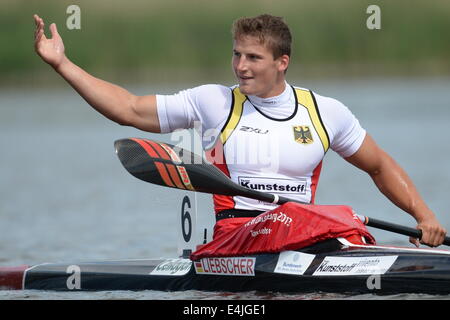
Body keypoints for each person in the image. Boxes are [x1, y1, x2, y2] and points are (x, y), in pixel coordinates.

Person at [33, 13, 447, 247]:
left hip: (307, 233)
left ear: (282, 62)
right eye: (237, 54)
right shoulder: (214, 101)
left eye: (253, 57)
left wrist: (424, 218)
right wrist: (62, 64)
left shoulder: (325, 112)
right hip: (234, 238)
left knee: (336, 227)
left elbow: (378, 165)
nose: (241, 66)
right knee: (337, 219)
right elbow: (128, 108)